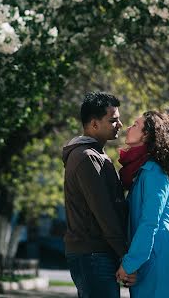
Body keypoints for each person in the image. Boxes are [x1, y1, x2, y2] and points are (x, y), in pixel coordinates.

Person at [116, 110, 169, 298]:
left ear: (147, 135)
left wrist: (129, 263)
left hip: (160, 253)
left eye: (135, 124)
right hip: (149, 253)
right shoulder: (143, 172)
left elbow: (150, 222)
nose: (128, 127)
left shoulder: (154, 172)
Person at [62, 91, 136, 298]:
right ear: (94, 124)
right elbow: (104, 212)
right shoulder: (86, 157)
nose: (120, 125)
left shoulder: (96, 154)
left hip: (97, 252)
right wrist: (125, 254)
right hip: (92, 254)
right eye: (113, 120)